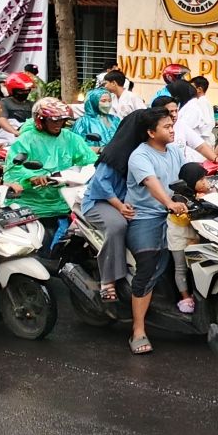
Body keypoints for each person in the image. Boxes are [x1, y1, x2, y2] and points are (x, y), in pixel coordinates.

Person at [124, 107, 190, 354]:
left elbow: (187, 176)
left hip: (174, 214)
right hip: (146, 217)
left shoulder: (174, 151)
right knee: (149, 265)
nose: (172, 130)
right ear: (151, 132)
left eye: (172, 125)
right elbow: (152, 183)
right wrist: (170, 203)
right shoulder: (139, 156)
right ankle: (138, 330)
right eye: (166, 127)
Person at [82, 110, 155, 302]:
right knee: (118, 226)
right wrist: (120, 206)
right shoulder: (116, 152)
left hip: (129, 201)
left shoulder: (149, 151)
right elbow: (100, 183)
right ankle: (108, 281)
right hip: (101, 201)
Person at [3, 98, 97, 219]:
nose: (58, 124)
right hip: (31, 202)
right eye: (53, 121)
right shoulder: (26, 139)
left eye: (62, 120)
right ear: (40, 120)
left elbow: (89, 160)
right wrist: (32, 177)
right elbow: (13, 168)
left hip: (65, 199)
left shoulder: (71, 138)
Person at [167, 162, 211, 314]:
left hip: (193, 238)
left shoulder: (194, 195)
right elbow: (180, 218)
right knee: (181, 268)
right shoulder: (179, 197)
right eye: (202, 179)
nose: (206, 182)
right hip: (179, 238)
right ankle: (185, 298)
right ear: (191, 180)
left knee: (195, 267)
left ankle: (197, 295)